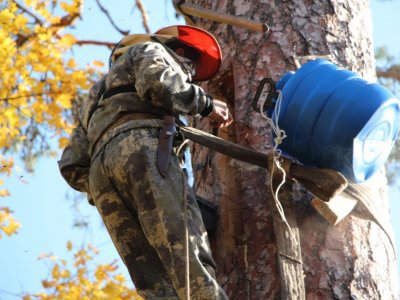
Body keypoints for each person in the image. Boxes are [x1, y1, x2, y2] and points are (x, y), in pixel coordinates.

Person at [58, 25, 232, 299]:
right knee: (186, 254)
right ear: (180, 51)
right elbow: (159, 84)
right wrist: (207, 104)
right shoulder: (150, 50)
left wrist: (112, 189)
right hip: (143, 146)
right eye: (191, 70)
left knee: (154, 283)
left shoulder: (94, 97)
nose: (191, 77)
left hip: (101, 179)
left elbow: (72, 164)